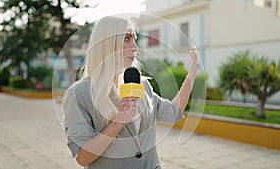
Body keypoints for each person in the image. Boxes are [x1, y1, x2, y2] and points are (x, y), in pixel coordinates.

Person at [62, 16, 198, 169]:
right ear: (107, 44)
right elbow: (83, 158)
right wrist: (118, 122)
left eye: (134, 39)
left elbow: (173, 112)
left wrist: (191, 76)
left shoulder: (141, 84)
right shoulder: (78, 95)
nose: (135, 47)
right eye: (126, 38)